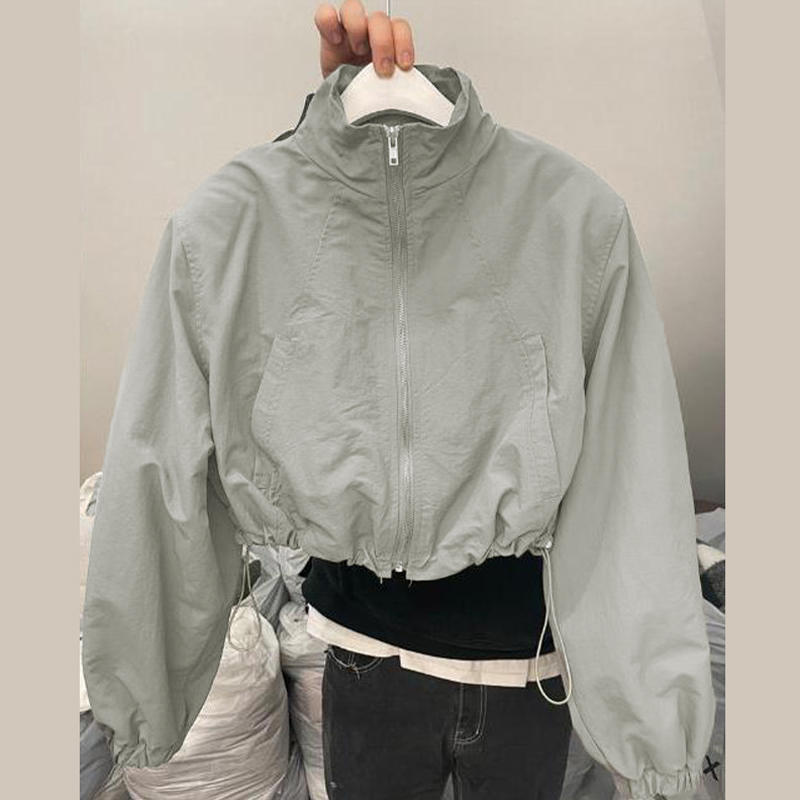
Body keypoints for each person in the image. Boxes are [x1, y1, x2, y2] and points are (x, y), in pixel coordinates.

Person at [287, 4, 574, 799]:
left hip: (528, 658)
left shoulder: (563, 219)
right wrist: (336, 137)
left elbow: (628, 463)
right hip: (370, 644)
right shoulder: (306, 221)